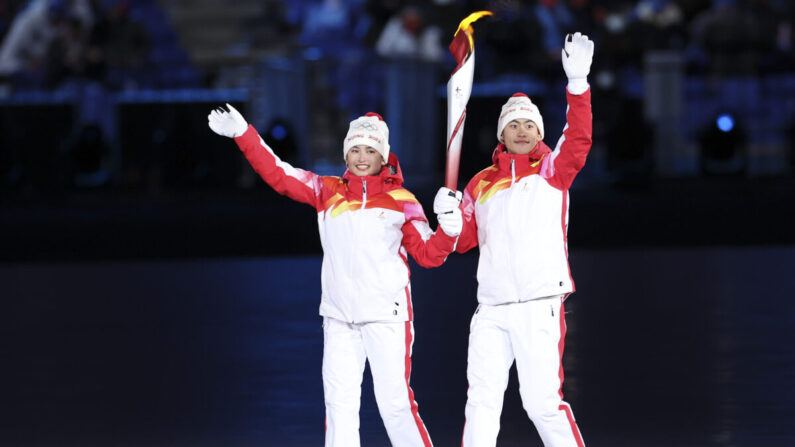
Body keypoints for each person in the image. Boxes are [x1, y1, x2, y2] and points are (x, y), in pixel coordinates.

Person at [208, 106, 462, 447]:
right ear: (346, 152)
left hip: (387, 319)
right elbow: (279, 175)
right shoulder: (327, 191)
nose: (361, 157)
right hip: (339, 318)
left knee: (396, 407)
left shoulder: (403, 201)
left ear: (383, 156)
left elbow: (430, 255)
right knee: (340, 409)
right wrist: (244, 135)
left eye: (370, 150)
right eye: (355, 149)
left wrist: (449, 231)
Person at [433, 32, 593, 446]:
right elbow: (465, 240)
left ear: (538, 132)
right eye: (513, 125)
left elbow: (577, 140)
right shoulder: (480, 183)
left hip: (538, 304)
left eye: (529, 125)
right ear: (501, 134)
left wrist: (577, 86)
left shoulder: (552, 170)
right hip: (492, 307)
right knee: (482, 402)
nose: (521, 131)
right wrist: (450, 223)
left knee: (541, 403)